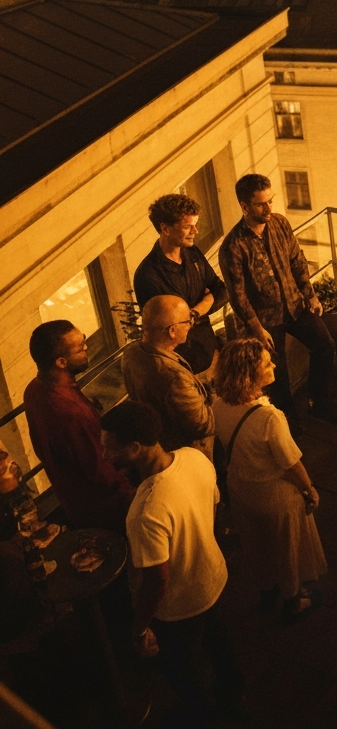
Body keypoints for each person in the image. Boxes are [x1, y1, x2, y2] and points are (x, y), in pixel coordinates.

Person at [100, 400, 244, 726]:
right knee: (219, 642)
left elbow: (157, 579)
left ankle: (203, 713)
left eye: (110, 448)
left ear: (136, 448)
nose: (104, 455)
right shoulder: (195, 459)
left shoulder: (145, 509)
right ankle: (234, 694)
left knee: (180, 666)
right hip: (214, 578)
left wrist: (139, 628)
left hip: (179, 606)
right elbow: (215, 509)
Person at [219, 173, 337, 429]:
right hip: (265, 320)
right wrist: (256, 328)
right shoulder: (233, 247)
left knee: (324, 345)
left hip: (295, 305)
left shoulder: (279, 223)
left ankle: (318, 403)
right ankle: (287, 423)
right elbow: (237, 294)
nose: (269, 208)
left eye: (270, 201)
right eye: (261, 204)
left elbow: (297, 260)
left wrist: (309, 294)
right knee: (276, 374)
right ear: (245, 206)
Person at [211, 338, 327, 619]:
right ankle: (292, 599)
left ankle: (266, 592)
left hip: (240, 488)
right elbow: (290, 462)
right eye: (266, 363)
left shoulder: (218, 404)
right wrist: (309, 488)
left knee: (256, 546)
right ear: (250, 374)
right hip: (274, 496)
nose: (273, 364)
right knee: (286, 549)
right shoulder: (270, 417)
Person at [22, 321, 135, 531]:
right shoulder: (72, 414)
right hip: (105, 511)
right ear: (61, 362)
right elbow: (101, 472)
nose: (87, 347)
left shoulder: (33, 390)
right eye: (80, 347)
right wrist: (135, 498)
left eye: (83, 339)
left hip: (73, 502)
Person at [133, 193, 227, 376]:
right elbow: (170, 328)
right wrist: (206, 298)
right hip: (182, 368)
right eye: (187, 226)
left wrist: (194, 312)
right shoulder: (148, 275)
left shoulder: (193, 253)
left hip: (211, 352)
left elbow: (221, 290)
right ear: (165, 229)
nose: (196, 231)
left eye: (195, 225)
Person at [120, 295, 216, 460]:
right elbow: (202, 426)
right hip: (187, 457)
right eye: (187, 321)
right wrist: (215, 399)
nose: (190, 326)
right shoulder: (174, 378)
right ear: (172, 331)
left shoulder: (131, 353)